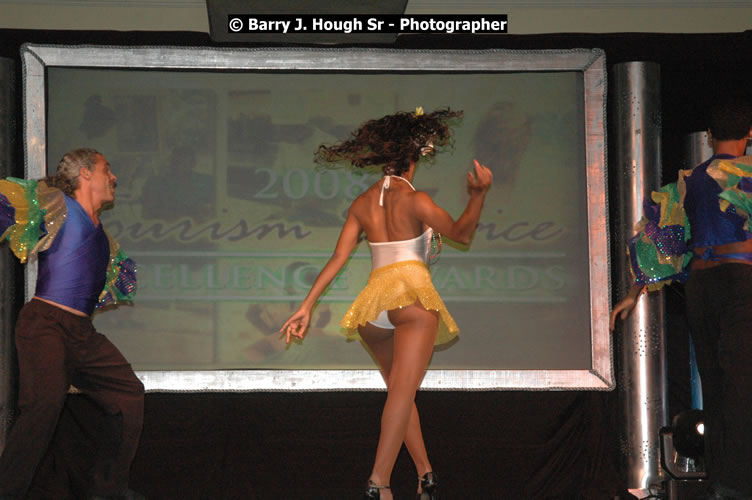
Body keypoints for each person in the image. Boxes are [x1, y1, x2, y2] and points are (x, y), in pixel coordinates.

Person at [280, 107, 493, 500]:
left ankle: (426, 474)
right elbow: (462, 233)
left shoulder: (362, 203)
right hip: (411, 300)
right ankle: (379, 482)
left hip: (373, 310)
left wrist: (306, 305)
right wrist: (478, 195)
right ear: (414, 156)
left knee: (401, 392)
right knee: (401, 395)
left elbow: (337, 258)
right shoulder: (417, 201)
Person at [611, 98, 752, 499]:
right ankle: (739, 484)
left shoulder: (689, 182)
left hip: (702, 290)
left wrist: (634, 291)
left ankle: (724, 482)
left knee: (718, 385)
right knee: (742, 385)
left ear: (709, 138)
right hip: (741, 283)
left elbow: (662, 241)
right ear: (750, 135)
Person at [0, 148, 144, 500]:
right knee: (44, 405)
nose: (114, 177)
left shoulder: (102, 237)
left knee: (128, 393)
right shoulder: (59, 205)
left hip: (82, 334)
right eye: (107, 170)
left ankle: (106, 490)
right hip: (45, 326)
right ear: (85, 174)